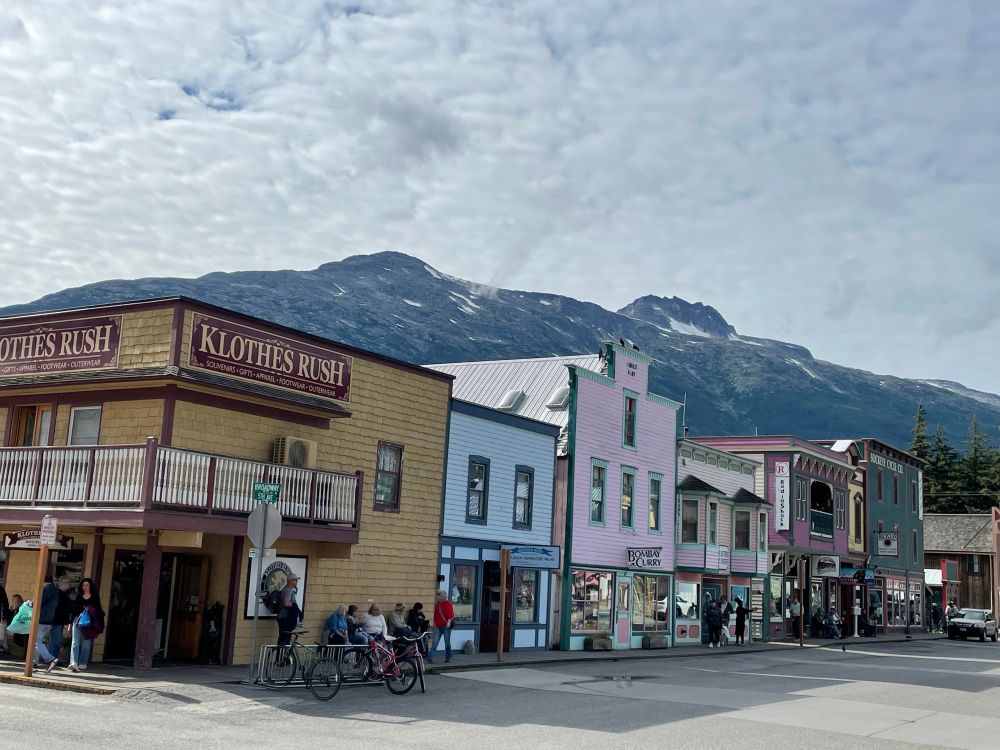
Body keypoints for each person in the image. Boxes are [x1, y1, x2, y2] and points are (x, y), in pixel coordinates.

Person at [69, 578, 104, 672]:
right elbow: (73, 610)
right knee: (75, 642)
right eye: (83, 585)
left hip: (89, 623)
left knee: (86, 644)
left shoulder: (95, 597)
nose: (85, 587)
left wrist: (90, 609)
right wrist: (70, 624)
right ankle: (73, 663)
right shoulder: (79, 596)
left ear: (90, 586)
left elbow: (99, 610)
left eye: (87, 585)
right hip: (77, 621)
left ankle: (83, 663)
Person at [35, 576, 61, 671]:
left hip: (41, 619)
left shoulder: (47, 588)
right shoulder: (55, 590)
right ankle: (34, 663)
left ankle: (51, 659)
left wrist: (31, 603)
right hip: (48, 620)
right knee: (38, 642)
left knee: (36, 642)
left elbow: (39, 601)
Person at [275, 574, 302, 648]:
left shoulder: (290, 590)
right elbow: (286, 603)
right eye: (295, 580)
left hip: (286, 618)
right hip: (284, 618)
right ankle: (280, 657)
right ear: (290, 581)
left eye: (297, 580)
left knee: (286, 638)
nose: (297, 582)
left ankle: (284, 656)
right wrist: (294, 606)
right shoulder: (287, 590)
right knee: (283, 638)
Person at [429, 589, 454, 663]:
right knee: (435, 642)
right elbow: (435, 615)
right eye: (437, 594)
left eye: (438, 594)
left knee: (447, 642)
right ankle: (431, 657)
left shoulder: (448, 604)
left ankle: (448, 657)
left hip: (446, 626)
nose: (437, 596)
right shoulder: (438, 604)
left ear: (443, 596)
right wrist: (433, 625)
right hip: (438, 626)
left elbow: (450, 614)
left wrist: (449, 623)